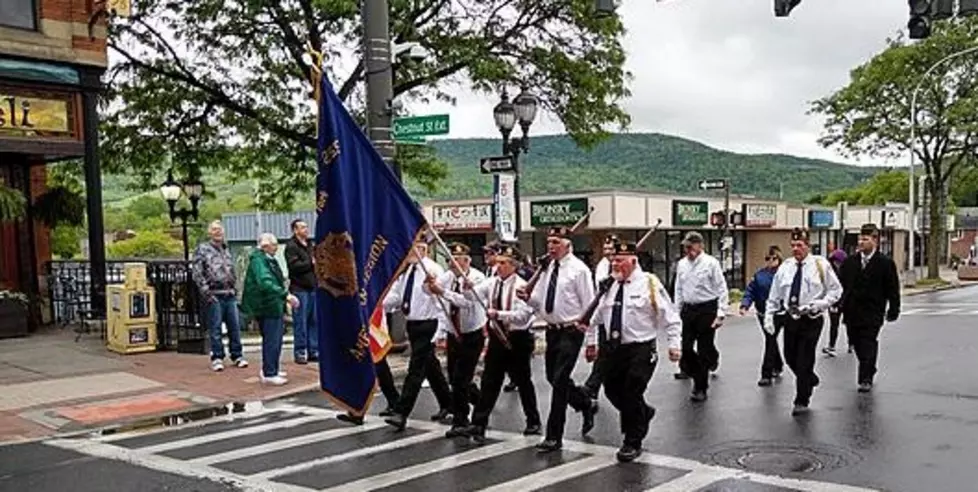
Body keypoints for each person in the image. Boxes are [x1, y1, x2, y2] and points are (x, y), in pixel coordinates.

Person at [584, 240, 681, 462]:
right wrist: (591, 342)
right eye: (613, 260)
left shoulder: (649, 283)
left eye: (619, 260)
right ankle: (643, 412)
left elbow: (671, 317)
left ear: (633, 261)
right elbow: (594, 317)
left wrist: (674, 344)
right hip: (613, 348)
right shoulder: (608, 285)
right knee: (611, 391)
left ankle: (632, 440)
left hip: (641, 348)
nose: (615, 264)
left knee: (631, 392)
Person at [517, 226, 598, 452]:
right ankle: (584, 402)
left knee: (560, 380)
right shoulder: (547, 268)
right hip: (552, 330)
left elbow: (590, 306)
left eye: (556, 242)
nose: (551, 247)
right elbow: (541, 302)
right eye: (549, 242)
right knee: (552, 377)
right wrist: (527, 299)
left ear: (568, 245)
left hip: (571, 330)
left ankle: (554, 435)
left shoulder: (579, 270)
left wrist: (592, 340)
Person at [451, 245, 542, 442]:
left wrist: (498, 314)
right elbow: (473, 297)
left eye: (503, 263)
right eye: (498, 262)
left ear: (514, 265)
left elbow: (522, 317)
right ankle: (478, 424)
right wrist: (467, 287)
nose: (498, 266)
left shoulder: (522, 286)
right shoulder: (492, 283)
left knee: (523, 380)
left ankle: (533, 421)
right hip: (496, 339)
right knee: (489, 381)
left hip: (517, 339)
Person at [765, 228, 842, 415]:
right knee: (790, 356)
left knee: (804, 358)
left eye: (800, 245)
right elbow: (775, 294)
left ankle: (802, 399)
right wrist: (769, 315)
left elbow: (836, 290)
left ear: (808, 246)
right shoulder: (786, 267)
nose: (795, 249)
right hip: (790, 317)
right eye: (793, 245)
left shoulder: (820, 265)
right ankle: (808, 377)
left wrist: (820, 304)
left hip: (811, 317)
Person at [382, 239, 453, 430]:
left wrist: (441, 331)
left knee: (415, 370)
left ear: (426, 250)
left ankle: (401, 412)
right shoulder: (407, 270)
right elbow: (396, 297)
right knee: (431, 368)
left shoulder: (433, 270)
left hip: (428, 324)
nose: (414, 251)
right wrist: (378, 304)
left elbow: (441, 301)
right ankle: (449, 403)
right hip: (412, 324)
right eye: (413, 247)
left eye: (420, 247)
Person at [426, 242, 488, 438]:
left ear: (466, 261)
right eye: (448, 260)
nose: (451, 264)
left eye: (455, 260)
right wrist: (429, 283)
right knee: (455, 378)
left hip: (471, 334)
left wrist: (442, 292)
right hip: (455, 334)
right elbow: (429, 291)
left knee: (461, 380)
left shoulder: (477, 278)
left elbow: (467, 302)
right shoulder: (449, 276)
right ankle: (482, 403)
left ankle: (461, 421)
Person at [838, 224, 901, 393]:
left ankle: (865, 378)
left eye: (865, 239)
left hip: (873, 312)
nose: (861, 242)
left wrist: (894, 309)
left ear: (875, 241)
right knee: (857, 343)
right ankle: (869, 366)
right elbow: (840, 285)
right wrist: (837, 304)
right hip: (852, 312)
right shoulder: (850, 262)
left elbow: (892, 289)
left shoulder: (885, 263)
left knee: (868, 343)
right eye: (860, 239)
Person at [674, 231, 729, 402]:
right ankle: (702, 365)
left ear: (700, 245)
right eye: (686, 246)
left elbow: (721, 288)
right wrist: (676, 312)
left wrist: (721, 313)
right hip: (688, 310)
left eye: (691, 245)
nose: (688, 249)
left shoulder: (711, 263)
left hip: (707, 309)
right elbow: (679, 289)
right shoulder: (682, 264)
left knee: (704, 349)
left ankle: (700, 387)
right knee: (687, 348)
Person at [240, 233, 299, 386]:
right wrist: (285, 295)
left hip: (269, 304)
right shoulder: (260, 261)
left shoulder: (263, 259)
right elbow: (265, 282)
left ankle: (271, 368)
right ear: (266, 246)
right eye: (274, 244)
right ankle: (269, 372)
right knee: (272, 339)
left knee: (273, 338)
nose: (276, 247)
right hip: (268, 305)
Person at [192, 220, 248, 372]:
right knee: (215, 328)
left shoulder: (226, 249)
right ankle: (217, 357)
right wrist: (206, 292)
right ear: (210, 232)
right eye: (214, 229)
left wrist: (236, 289)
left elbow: (232, 271)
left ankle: (237, 355)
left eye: (220, 229)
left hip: (229, 292)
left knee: (234, 327)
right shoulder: (203, 249)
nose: (218, 232)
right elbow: (197, 272)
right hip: (214, 293)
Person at [739, 246, 785, 387]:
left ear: (779, 259)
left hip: (780, 313)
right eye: (767, 258)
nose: (770, 261)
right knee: (770, 339)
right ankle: (773, 368)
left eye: (773, 258)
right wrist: (744, 305)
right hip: (763, 313)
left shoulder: (784, 274)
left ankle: (771, 370)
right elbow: (750, 290)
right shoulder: (760, 275)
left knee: (771, 340)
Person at [583, 234, 619, 400]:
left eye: (611, 249)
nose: (608, 252)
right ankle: (592, 389)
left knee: (613, 358)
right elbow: (600, 290)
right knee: (604, 354)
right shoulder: (602, 266)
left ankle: (594, 388)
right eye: (605, 249)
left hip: (622, 317)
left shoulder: (624, 265)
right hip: (605, 315)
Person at [284, 219, 319, 364]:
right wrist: (310, 263)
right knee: (301, 322)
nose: (306, 230)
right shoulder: (291, 247)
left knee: (314, 321)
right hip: (300, 289)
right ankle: (300, 351)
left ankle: (314, 350)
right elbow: (294, 267)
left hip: (313, 288)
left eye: (306, 227)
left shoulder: (310, 245)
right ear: (295, 230)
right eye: (302, 227)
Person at [824, 247, 849, 356]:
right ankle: (831, 346)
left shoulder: (848, 271)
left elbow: (849, 288)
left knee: (849, 323)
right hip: (834, 301)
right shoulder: (830, 272)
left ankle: (852, 342)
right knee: (834, 324)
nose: (836, 264)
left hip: (846, 300)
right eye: (834, 261)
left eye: (838, 262)